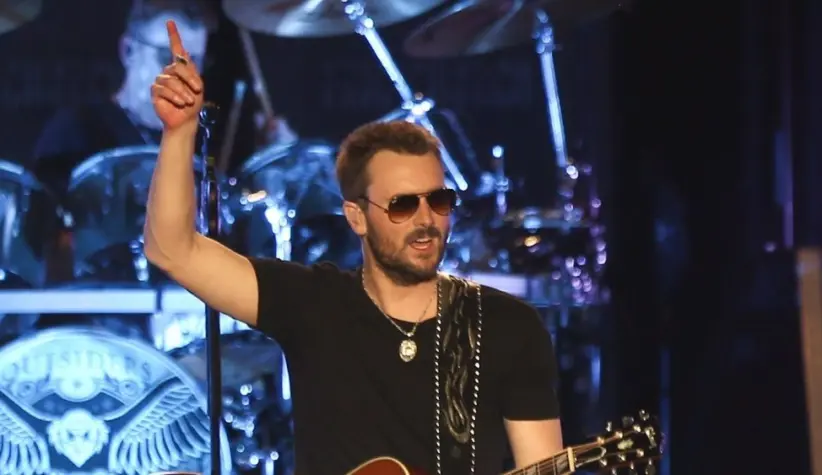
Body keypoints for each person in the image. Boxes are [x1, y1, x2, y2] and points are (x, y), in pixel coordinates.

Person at [145, 20, 564, 475]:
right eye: (403, 205)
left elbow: (543, 466)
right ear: (356, 217)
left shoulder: (507, 327)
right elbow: (172, 249)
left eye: (439, 200)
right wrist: (179, 133)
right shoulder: (314, 303)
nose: (426, 220)